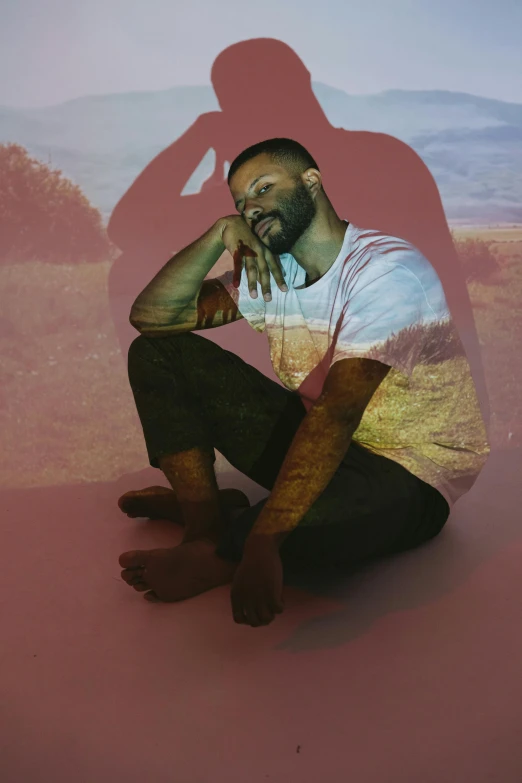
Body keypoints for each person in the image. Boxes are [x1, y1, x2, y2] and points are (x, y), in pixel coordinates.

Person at [117, 138, 490, 628]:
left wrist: (262, 540)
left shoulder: (387, 272)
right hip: (323, 444)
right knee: (159, 352)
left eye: (264, 188)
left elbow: (338, 412)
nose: (252, 208)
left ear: (311, 182)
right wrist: (216, 235)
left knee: (315, 532)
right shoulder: (275, 273)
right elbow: (152, 320)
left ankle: (229, 544)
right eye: (240, 204)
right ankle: (204, 523)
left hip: (412, 475)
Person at [107, 38, 489, 431]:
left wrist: (205, 132)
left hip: (398, 400)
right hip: (305, 382)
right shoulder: (253, 195)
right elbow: (126, 228)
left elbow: (446, 295)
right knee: (135, 276)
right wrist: (205, 142)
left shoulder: (377, 161)